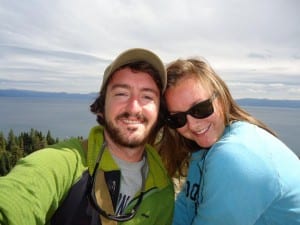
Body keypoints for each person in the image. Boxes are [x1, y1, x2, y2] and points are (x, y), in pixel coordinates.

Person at [0, 48, 174, 225]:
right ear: (102, 105)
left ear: (159, 110)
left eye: (147, 96)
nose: (133, 108)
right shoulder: (68, 164)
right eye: (121, 93)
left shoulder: (163, 190)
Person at [158, 57, 300, 225]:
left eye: (200, 109)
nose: (192, 124)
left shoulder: (235, 156)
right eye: (178, 119)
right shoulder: (203, 151)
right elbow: (185, 210)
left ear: (221, 98)